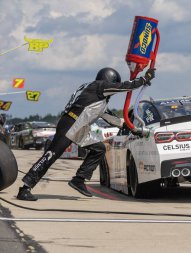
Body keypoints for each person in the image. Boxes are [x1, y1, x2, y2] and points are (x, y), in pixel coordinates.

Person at [17, 67, 155, 201]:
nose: (112, 90)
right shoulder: (99, 86)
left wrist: (132, 128)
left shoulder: (96, 96)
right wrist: (143, 79)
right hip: (70, 123)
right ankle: (25, 189)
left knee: (99, 148)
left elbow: (111, 118)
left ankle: (79, 179)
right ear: (108, 80)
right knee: (50, 156)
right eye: (112, 84)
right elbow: (123, 87)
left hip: (79, 126)